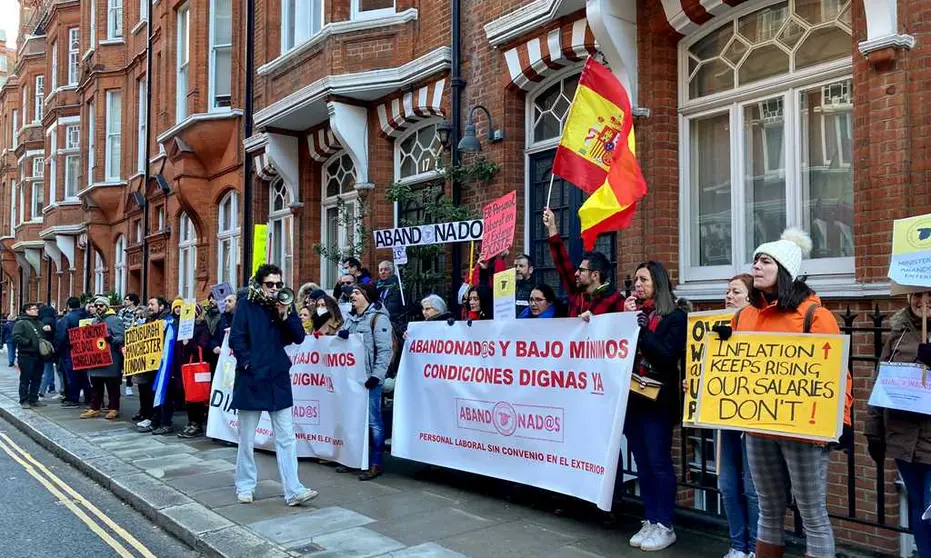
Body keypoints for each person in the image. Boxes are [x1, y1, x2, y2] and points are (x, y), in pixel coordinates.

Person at [714, 228, 852, 558]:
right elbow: (730, 366)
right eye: (755, 261)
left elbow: (836, 375)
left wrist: (842, 421)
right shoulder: (744, 317)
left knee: (812, 515)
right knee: (769, 510)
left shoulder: (814, 316)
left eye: (764, 261)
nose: (756, 267)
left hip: (804, 433)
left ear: (784, 269)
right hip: (759, 427)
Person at [229, 264, 318, 506]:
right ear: (259, 285)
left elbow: (298, 337)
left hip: (277, 377)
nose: (275, 289)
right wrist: (248, 364)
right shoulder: (246, 305)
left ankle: (294, 490)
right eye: (270, 285)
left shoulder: (283, 306)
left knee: (287, 437)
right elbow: (236, 337)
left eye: (278, 284)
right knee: (246, 438)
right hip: (252, 378)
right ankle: (245, 485)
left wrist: (285, 314)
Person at [623, 261, 688, 552]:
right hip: (633, 401)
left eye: (644, 280)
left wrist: (641, 331)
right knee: (643, 463)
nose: (638, 284)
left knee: (659, 462)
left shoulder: (675, 317)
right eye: (635, 280)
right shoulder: (634, 314)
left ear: (658, 284)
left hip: (658, 403)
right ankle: (650, 518)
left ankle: (665, 524)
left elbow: (665, 357)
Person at [866, 292, 931, 557]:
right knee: (919, 507)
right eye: (917, 295)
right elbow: (880, 385)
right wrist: (874, 432)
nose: (923, 301)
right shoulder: (898, 336)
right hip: (904, 440)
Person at [717, 274, 759, 558]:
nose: (729, 296)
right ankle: (737, 545)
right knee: (727, 485)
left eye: (736, 291)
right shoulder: (717, 330)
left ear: (750, 297)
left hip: (753, 419)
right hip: (724, 416)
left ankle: (757, 548)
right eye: (727, 291)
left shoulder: (761, 329)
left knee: (753, 488)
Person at [338, 283, 392, 481]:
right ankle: (354, 459)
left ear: (367, 296)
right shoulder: (350, 318)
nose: (352, 296)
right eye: (352, 293)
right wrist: (341, 336)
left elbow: (385, 350)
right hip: (351, 378)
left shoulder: (378, 319)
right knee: (353, 419)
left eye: (357, 293)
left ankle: (376, 463)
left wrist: (376, 376)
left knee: (374, 422)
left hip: (369, 379)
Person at [543, 208, 624, 319]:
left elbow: (621, 329)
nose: (576, 273)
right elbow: (562, 262)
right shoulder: (576, 291)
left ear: (595, 275)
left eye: (581, 270)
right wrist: (552, 226)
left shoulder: (615, 300)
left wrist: (595, 320)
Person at [80, 297, 125, 420]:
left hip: (111, 359)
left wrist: (110, 338)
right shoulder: (94, 321)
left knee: (112, 386)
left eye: (101, 305)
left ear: (107, 306)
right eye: (96, 305)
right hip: (96, 360)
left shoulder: (115, 320)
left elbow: (121, 338)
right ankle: (95, 408)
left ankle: (113, 408)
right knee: (96, 386)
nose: (98, 307)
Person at [136, 296, 174, 433]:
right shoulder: (150, 321)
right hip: (152, 364)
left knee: (165, 394)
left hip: (165, 365)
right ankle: (155, 420)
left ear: (162, 307)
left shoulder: (168, 321)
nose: (149, 307)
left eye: (152, 304)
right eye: (148, 304)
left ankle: (165, 423)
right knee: (152, 392)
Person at [178, 303, 213, 438]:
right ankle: (191, 421)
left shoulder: (201, 327)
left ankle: (197, 424)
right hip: (187, 366)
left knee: (197, 395)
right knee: (189, 395)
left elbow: (202, 346)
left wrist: (189, 343)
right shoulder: (184, 328)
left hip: (196, 367)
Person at [55, 297, 91, 408]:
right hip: (85, 350)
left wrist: (58, 349)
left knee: (71, 375)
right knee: (84, 375)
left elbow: (61, 336)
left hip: (69, 350)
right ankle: (89, 397)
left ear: (68, 306)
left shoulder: (67, 318)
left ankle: (73, 399)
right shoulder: (86, 316)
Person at [13, 303, 47, 408]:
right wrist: (28, 342)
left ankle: (33, 399)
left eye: (36, 309)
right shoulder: (21, 323)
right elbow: (16, 336)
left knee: (37, 378)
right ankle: (24, 400)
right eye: (34, 309)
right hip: (26, 355)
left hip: (39, 355)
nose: (37, 310)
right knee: (25, 379)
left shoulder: (40, 323)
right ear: (27, 311)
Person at [118, 294, 141, 396]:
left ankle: (128, 384)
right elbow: (118, 323)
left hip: (134, 341)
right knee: (121, 362)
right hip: (123, 339)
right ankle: (121, 381)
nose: (125, 301)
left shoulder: (139, 312)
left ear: (132, 301)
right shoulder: (122, 312)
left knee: (130, 362)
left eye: (127, 300)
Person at [37, 304, 58, 398]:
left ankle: (42, 390)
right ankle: (57, 389)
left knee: (47, 370)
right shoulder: (54, 320)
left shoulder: (43, 321)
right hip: (56, 348)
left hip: (46, 349)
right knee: (59, 371)